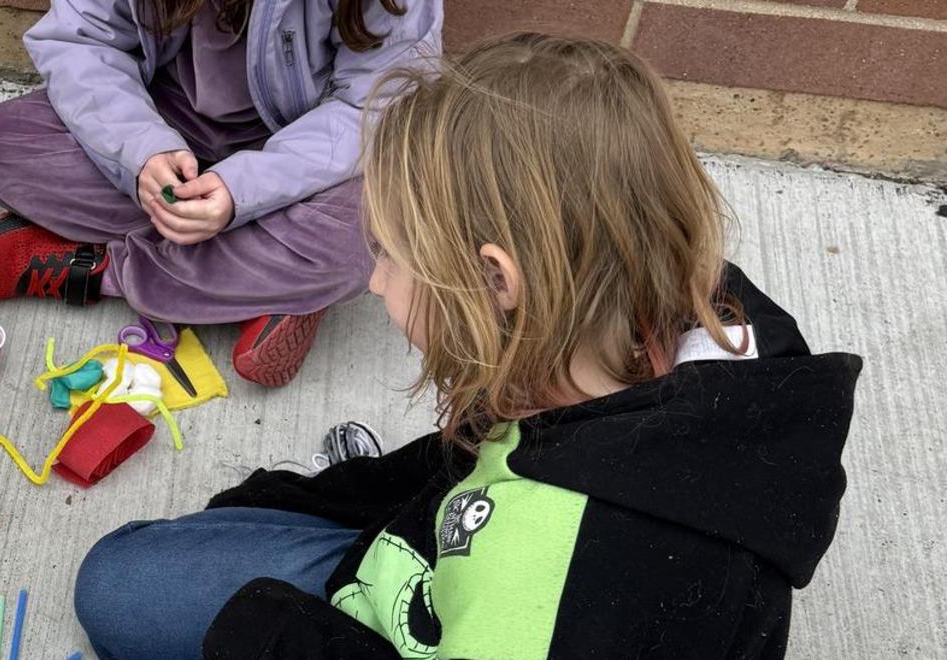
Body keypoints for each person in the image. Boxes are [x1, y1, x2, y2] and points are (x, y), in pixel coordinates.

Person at [71, 33, 862, 659]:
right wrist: (299, 500)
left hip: (479, 607)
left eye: (388, 255)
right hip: (447, 560)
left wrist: (270, 636)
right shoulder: (629, 318)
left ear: (494, 279)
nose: (373, 282)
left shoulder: (550, 580)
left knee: (119, 593)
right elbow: (461, 465)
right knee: (135, 572)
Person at [0, 0, 441, 387]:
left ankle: (99, 272)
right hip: (161, 122)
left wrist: (244, 189)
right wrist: (140, 152)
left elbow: (378, 105)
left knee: (364, 238)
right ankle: (270, 286)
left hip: (295, 152)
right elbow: (79, 39)